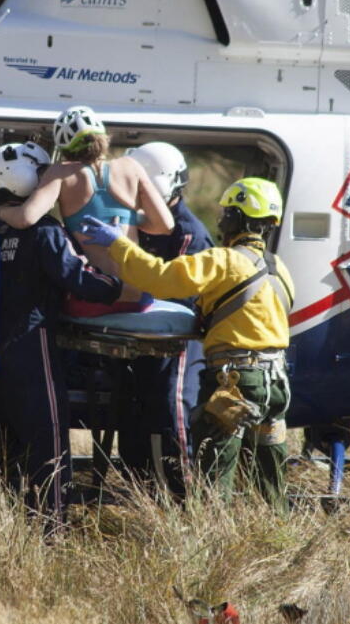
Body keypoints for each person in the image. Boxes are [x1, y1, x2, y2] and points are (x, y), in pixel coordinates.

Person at [77, 177, 295, 505]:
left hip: (236, 382)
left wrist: (117, 244)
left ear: (238, 218)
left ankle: (210, 546)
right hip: (276, 384)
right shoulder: (280, 269)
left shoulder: (224, 260)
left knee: (214, 477)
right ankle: (278, 537)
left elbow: (162, 280)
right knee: (269, 480)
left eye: (226, 213)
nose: (220, 220)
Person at [0, 141, 124, 529]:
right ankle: (50, 528)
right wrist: (115, 281)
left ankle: (0, 524)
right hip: (31, 347)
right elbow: (80, 279)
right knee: (49, 440)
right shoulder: (43, 231)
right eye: (42, 177)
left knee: (1, 447)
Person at [0, 106, 173, 314]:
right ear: (103, 136)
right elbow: (166, 225)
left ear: (64, 147)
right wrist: (129, 220)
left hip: (97, 300)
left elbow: (26, 218)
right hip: (138, 298)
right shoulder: (131, 166)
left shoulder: (61, 172)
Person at [115, 142, 214, 497]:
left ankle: (185, 496)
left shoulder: (189, 234)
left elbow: (182, 295)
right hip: (141, 336)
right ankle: (140, 493)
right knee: (135, 414)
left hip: (179, 338)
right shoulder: (136, 222)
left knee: (174, 412)